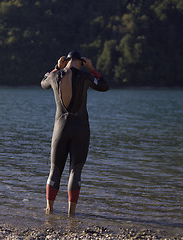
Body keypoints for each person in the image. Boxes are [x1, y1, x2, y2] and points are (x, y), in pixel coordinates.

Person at [41, 50, 109, 217]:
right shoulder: (85, 77)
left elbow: (42, 83)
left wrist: (56, 67)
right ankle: (71, 213)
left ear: (67, 61)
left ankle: (49, 210)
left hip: (60, 128)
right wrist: (92, 69)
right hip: (80, 128)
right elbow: (104, 86)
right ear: (81, 62)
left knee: (55, 169)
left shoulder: (54, 76)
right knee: (75, 170)